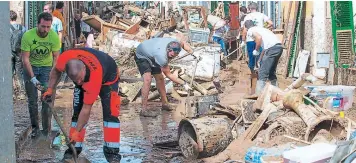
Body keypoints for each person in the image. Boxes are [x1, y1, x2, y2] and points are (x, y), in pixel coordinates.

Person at [42, 48, 121, 162]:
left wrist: (77, 132)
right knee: (77, 112)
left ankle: (112, 154)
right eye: (75, 80)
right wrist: (50, 89)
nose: (78, 82)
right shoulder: (64, 59)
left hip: (109, 77)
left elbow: (86, 109)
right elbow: (55, 71)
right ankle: (73, 149)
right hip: (91, 70)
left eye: (79, 79)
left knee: (111, 115)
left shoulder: (94, 77)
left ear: (83, 68)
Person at [21, 12, 61, 137]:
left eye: (48, 27)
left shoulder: (53, 37)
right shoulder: (27, 36)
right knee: (32, 100)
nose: (46, 30)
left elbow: (56, 58)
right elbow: (25, 59)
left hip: (46, 69)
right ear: (38, 24)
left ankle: (46, 130)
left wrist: (52, 77)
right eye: (43, 26)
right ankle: (35, 129)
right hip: (30, 67)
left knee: (47, 99)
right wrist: (32, 78)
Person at [135, 37, 194, 117]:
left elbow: (183, 43)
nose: (172, 58)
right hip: (142, 55)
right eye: (171, 56)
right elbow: (169, 75)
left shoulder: (175, 42)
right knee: (148, 80)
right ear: (168, 50)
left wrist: (190, 51)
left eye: (175, 56)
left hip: (152, 51)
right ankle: (144, 110)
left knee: (160, 78)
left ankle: (165, 104)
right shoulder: (161, 57)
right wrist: (184, 83)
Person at [241, 2, 273, 94]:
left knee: (252, 60)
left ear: (249, 9)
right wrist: (265, 29)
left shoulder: (248, 17)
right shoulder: (262, 15)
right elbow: (271, 23)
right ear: (257, 8)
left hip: (251, 40)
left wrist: (243, 41)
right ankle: (261, 80)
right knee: (260, 60)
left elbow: (245, 30)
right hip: (261, 40)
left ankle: (254, 81)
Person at [244, 20, 283, 95]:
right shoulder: (262, 29)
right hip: (278, 47)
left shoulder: (251, 30)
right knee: (271, 72)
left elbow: (259, 38)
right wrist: (260, 59)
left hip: (271, 49)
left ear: (246, 28)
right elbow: (265, 48)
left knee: (262, 73)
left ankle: (258, 96)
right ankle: (277, 93)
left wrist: (256, 50)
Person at [10, 10, 27, 100]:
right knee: (20, 73)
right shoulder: (22, 28)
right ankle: (22, 93)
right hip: (19, 53)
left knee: (10, 73)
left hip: (9, 52)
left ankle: (11, 94)